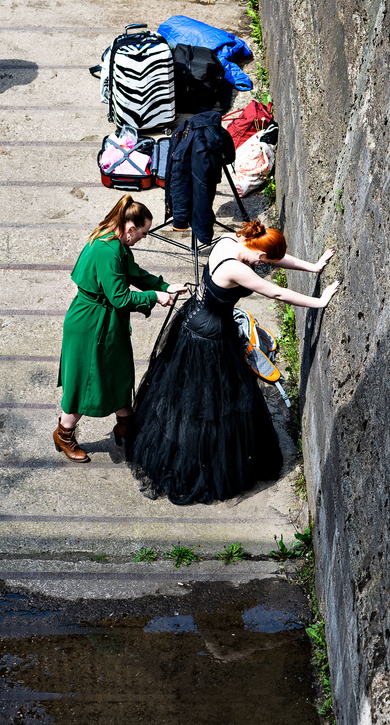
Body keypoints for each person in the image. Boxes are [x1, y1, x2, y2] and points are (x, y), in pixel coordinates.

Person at [126, 220, 340, 505]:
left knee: (195, 397)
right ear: (259, 256)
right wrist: (319, 302)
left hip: (196, 320)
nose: (264, 264)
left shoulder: (234, 239)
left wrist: (312, 267)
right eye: (263, 261)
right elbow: (275, 292)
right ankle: (198, 463)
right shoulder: (235, 268)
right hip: (208, 338)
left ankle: (198, 449)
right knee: (209, 402)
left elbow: (271, 255)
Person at [54, 195, 186, 462]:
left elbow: (133, 273)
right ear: (130, 228)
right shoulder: (108, 251)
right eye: (144, 232)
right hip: (91, 325)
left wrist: (164, 286)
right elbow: (120, 298)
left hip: (105, 321)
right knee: (85, 382)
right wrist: (153, 298)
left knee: (119, 373)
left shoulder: (114, 240)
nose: (144, 237)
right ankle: (64, 433)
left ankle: (125, 425)